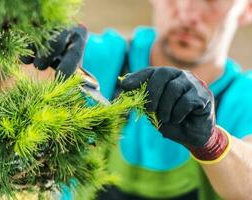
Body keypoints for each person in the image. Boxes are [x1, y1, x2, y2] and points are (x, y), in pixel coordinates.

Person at [82, 0, 252, 199]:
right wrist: (41, 42)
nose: (187, 15)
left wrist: (212, 142)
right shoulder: (92, 57)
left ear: (247, 8)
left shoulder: (244, 97)